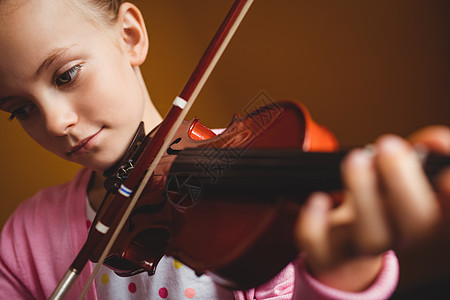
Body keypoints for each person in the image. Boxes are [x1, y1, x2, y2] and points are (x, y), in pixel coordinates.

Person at [0, 0, 447, 299]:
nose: (56, 123)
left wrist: (341, 274)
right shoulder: (24, 241)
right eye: (21, 110)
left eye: (66, 75)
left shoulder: (248, 198)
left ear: (131, 37)